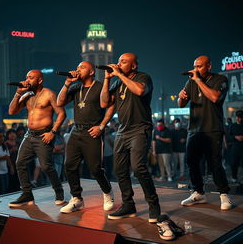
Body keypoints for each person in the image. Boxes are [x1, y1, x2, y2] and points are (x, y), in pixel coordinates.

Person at [100, 53, 175, 241]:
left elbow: (140, 91)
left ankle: (154, 205)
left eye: (123, 62)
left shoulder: (143, 77)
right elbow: (104, 102)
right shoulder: (116, 82)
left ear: (133, 66)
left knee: (139, 167)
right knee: (119, 169)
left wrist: (119, 75)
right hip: (123, 131)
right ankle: (128, 204)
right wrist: (108, 79)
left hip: (140, 128)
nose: (118, 64)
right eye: (118, 61)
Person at [57, 61, 115, 213]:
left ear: (91, 72)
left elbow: (108, 106)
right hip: (76, 131)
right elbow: (60, 102)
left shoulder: (100, 86)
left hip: (92, 132)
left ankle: (108, 192)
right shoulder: (76, 87)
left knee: (95, 168)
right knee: (69, 165)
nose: (77, 70)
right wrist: (67, 82)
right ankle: (76, 199)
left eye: (82, 67)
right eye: (77, 67)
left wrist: (101, 126)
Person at [178, 55, 232, 210]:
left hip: (212, 128)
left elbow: (215, 97)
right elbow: (181, 104)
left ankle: (224, 194)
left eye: (199, 66)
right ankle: (198, 192)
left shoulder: (220, 79)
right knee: (191, 161)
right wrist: (181, 98)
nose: (196, 69)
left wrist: (198, 81)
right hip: (194, 129)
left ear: (209, 66)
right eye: (195, 66)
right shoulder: (191, 81)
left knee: (214, 162)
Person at [8, 69, 66, 207]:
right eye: (27, 77)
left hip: (44, 134)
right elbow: (12, 111)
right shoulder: (26, 95)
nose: (27, 80)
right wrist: (18, 93)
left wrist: (53, 132)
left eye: (31, 78)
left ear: (39, 80)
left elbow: (61, 114)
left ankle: (59, 192)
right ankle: (27, 194)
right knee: (20, 163)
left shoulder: (49, 94)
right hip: (29, 135)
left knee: (46, 166)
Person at [229, 110, 243, 183]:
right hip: (235, 147)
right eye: (238, 117)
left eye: (241, 118)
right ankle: (234, 177)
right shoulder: (233, 126)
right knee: (234, 163)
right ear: (236, 117)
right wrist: (235, 137)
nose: (240, 119)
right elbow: (229, 136)